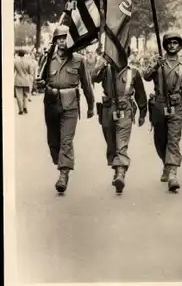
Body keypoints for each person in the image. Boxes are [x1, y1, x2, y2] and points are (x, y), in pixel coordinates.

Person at [143, 32, 182, 192]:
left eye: (175, 42)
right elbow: (145, 76)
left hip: (177, 104)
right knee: (160, 140)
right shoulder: (157, 60)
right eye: (169, 42)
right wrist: (155, 65)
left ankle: (173, 173)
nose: (172, 45)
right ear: (165, 45)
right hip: (159, 105)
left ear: (179, 45)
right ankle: (166, 165)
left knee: (173, 139)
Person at [41, 25, 95, 194]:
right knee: (53, 141)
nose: (62, 41)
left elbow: (87, 84)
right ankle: (61, 162)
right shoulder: (48, 58)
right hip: (51, 103)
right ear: (55, 41)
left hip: (70, 105)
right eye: (59, 38)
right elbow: (40, 79)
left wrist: (91, 105)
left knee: (66, 140)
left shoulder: (78, 59)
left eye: (65, 38)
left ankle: (64, 174)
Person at [91, 47, 147, 194]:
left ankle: (121, 173)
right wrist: (102, 61)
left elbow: (140, 94)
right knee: (111, 142)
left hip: (125, 109)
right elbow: (94, 77)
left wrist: (142, 112)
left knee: (121, 142)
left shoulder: (133, 72)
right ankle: (117, 170)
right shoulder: (106, 70)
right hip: (108, 109)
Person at [14, 49, 32, 115]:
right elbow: (30, 72)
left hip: (18, 79)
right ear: (24, 54)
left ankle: (20, 110)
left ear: (18, 54)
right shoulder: (28, 62)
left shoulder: (15, 61)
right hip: (26, 80)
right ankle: (25, 107)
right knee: (26, 95)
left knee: (19, 96)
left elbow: (13, 71)